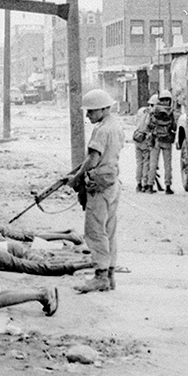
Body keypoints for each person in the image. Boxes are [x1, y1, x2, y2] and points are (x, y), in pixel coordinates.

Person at [66, 89, 125, 293]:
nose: (88, 115)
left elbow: (92, 159)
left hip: (99, 184)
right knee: (109, 230)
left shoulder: (101, 130)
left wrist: (77, 177)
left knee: (94, 230)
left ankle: (100, 276)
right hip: (111, 182)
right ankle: (109, 276)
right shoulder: (116, 126)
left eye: (91, 112)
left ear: (102, 109)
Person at [146, 89, 177, 195]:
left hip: (156, 140)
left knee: (153, 164)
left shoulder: (154, 110)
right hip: (167, 140)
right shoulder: (171, 112)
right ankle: (168, 186)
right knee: (168, 165)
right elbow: (174, 126)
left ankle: (150, 185)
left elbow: (148, 124)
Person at [133, 95, 157, 192]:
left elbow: (136, 121)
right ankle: (145, 184)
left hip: (137, 137)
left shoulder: (141, 110)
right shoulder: (151, 113)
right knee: (146, 162)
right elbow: (148, 123)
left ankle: (138, 184)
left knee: (139, 162)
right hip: (144, 138)